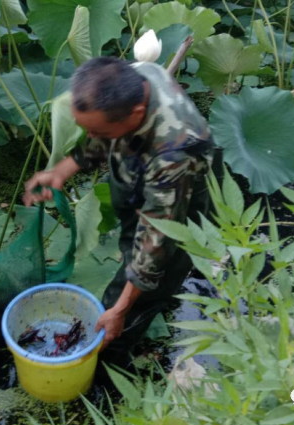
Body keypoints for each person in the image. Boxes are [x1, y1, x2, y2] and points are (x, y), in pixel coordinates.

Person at [23, 56, 218, 362]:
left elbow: (155, 241)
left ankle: (109, 359)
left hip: (176, 206)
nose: (93, 137)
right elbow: (99, 130)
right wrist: (64, 169)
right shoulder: (133, 77)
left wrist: (121, 309)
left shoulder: (175, 154)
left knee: (142, 286)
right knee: (132, 247)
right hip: (141, 175)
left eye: (101, 133)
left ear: (137, 112)